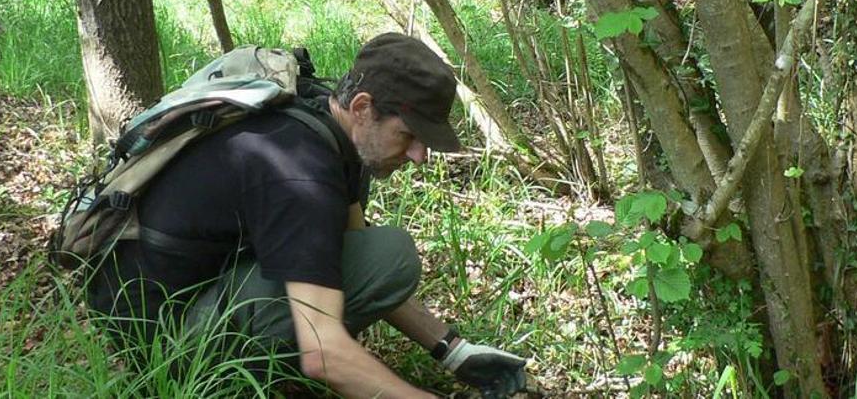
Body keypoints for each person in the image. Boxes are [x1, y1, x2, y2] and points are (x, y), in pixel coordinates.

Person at [87, 33, 528, 398]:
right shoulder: (298, 176)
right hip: (165, 339)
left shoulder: (325, 120)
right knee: (392, 256)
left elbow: (353, 253)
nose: (419, 156)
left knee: (383, 253)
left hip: (186, 290)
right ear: (362, 108)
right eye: (409, 136)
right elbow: (324, 354)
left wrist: (452, 350)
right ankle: (219, 380)